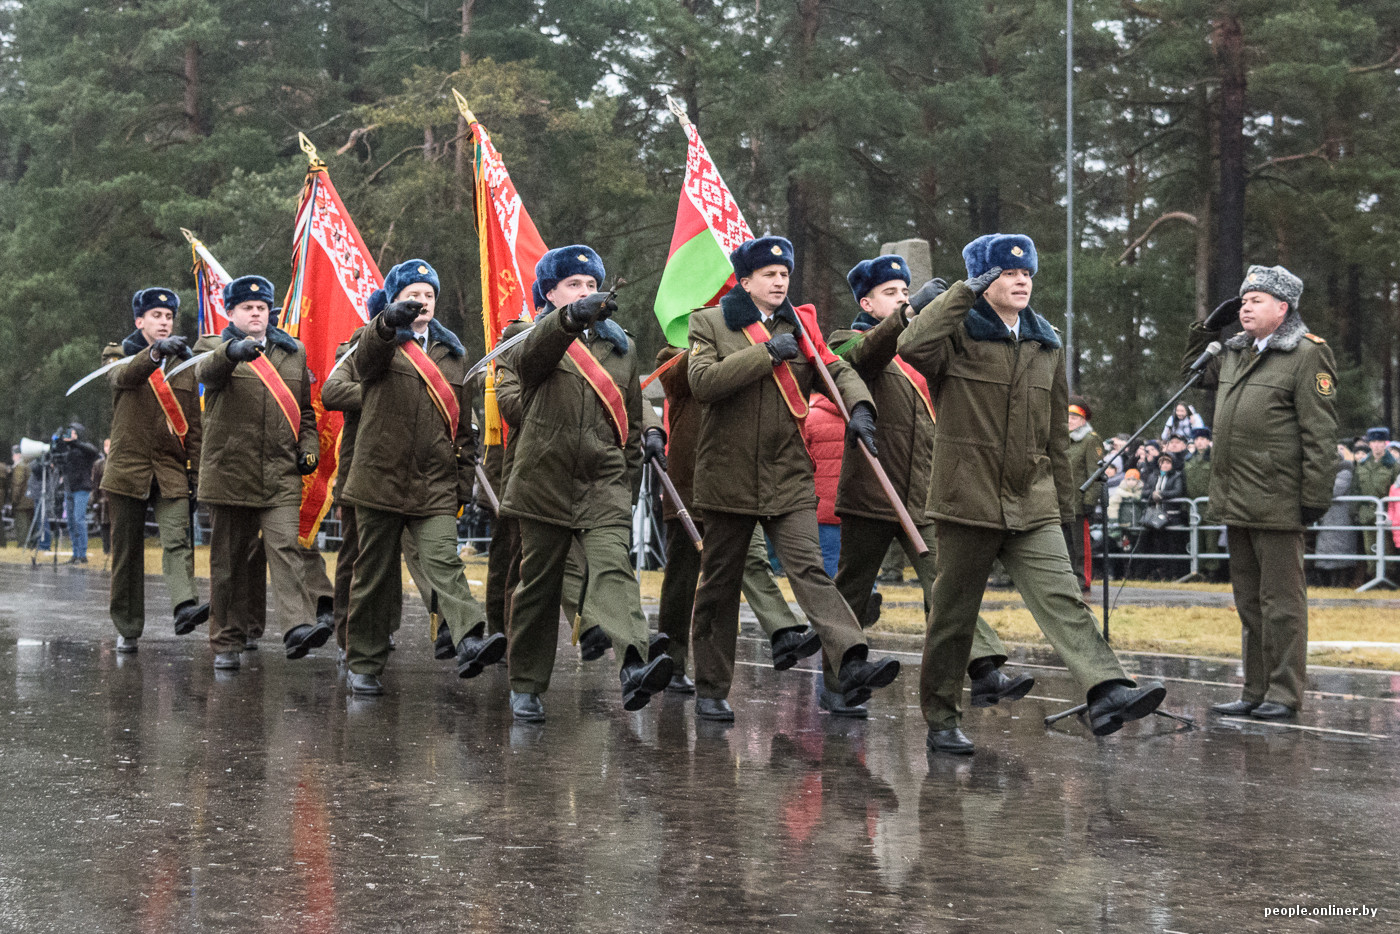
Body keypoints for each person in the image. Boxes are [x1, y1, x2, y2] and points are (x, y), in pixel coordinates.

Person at [898, 233, 1165, 754]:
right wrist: (959, 294)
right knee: (953, 617)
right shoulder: (956, 335)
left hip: (1032, 498)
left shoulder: (1046, 342)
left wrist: (1064, 509)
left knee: (1063, 597)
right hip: (966, 498)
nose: (1020, 280)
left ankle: (1106, 690)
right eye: (1006, 272)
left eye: (1026, 273)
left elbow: (1054, 434)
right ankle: (942, 718)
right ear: (982, 280)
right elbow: (911, 347)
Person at [686, 235, 903, 722]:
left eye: (785, 274)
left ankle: (851, 661)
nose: (780, 281)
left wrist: (860, 408)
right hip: (728, 475)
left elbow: (836, 368)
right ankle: (711, 687)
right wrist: (766, 355)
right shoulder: (711, 323)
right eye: (769, 275)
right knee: (719, 586)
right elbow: (703, 384)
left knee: (809, 569)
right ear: (745, 282)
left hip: (788, 473)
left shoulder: (801, 325)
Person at [828, 254, 1032, 716]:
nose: (903, 298)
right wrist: (909, 313)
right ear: (866, 302)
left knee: (946, 583)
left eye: (906, 291)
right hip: (871, 488)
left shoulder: (921, 351)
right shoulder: (849, 341)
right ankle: (837, 677)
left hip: (923, 492)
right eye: (891, 294)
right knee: (852, 590)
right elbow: (862, 358)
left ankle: (982, 670)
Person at [495, 245, 672, 722]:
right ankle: (527, 685)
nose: (586, 292)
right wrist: (569, 320)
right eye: (574, 285)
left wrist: (626, 485)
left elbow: (632, 425)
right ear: (549, 292)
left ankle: (634, 663)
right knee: (538, 586)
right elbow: (532, 367)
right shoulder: (521, 337)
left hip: (603, 481)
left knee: (614, 570)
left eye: (592, 285)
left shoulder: (622, 346)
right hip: (542, 479)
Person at [339, 259, 499, 695]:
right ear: (393, 299)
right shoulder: (372, 339)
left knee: (445, 562)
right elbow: (364, 367)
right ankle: (365, 664)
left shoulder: (454, 353)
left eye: (428, 294)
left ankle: (468, 639)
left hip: (434, 483)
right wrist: (387, 325)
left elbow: (463, 427)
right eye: (412, 293)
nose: (421, 300)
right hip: (378, 479)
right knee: (373, 577)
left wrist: (461, 485)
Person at [1186, 264, 1337, 720]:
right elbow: (1192, 374)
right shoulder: (1234, 351)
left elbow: (1321, 433)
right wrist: (1207, 327)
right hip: (1237, 499)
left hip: (1279, 499)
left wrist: (1313, 498)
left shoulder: (1307, 355)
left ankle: (1284, 694)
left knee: (1282, 606)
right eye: (1243, 299)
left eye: (1256, 299)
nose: (1245, 306)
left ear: (1282, 308)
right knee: (1249, 603)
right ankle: (1254, 691)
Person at [652, 345, 822, 696]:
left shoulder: (749, 349)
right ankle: (671, 660)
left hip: (735, 482)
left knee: (752, 560)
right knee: (682, 580)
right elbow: (688, 379)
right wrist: (707, 343)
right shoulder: (672, 356)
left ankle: (782, 633)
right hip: (688, 483)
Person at [195, 275, 328, 670]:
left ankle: (299, 628)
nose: (256, 313)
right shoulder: (212, 345)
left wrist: (308, 447)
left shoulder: (292, 352)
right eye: (247, 308)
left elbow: (305, 411)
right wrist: (232, 352)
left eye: (262, 308)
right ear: (231, 312)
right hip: (229, 473)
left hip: (278, 474)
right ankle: (227, 641)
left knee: (287, 547)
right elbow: (206, 373)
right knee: (229, 563)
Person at [103, 288, 208, 653]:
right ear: (139, 321)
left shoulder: (184, 364)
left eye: (168, 317)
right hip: (127, 470)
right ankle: (128, 628)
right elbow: (123, 378)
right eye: (156, 316)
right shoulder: (118, 353)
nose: (163, 322)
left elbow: (193, 425)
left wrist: (195, 475)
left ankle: (184, 606)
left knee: (177, 539)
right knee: (127, 553)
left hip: (170, 469)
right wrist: (154, 354)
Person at [1064, 397, 1102, 591]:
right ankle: (1069, 578)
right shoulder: (1064, 440)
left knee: (1081, 546)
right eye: (1068, 416)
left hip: (1079, 502)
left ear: (1083, 420)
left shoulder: (1090, 440)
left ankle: (1083, 579)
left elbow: (1095, 473)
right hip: (1063, 501)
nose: (1069, 420)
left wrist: (1090, 500)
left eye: (1074, 417)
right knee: (1066, 545)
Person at [1350, 427, 1397, 578]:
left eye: (1380, 442)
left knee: (1387, 550)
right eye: (1374, 442)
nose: (1377, 445)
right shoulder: (1362, 465)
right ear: (1369, 444)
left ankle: (1388, 580)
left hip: (1386, 514)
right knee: (1370, 549)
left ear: (1385, 444)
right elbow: (1355, 489)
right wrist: (1355, 511)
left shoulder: (1393, 465)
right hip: (1367, 513)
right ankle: (1372, 578)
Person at [53, 422, 100, 563]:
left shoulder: (84, 448)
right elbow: (57, 459)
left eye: (72, 432)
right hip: (69, 488)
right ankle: (75, 553)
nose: (69, 435)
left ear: (78, 434)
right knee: (71, 522)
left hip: (82, 488)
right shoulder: (67, 450)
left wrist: (75, 442)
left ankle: (82, 554)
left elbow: (94, 452)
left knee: (79, 519)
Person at [9, 447, 31, 548]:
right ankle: (28, 544)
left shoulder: (19, 467)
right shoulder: (27, 465)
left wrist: (14, 500)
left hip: (22, 501)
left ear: (17, 455)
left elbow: (17, 485)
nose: (12, 457)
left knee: (21, 524)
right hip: (28, 500)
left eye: (13, 454)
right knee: (27, 524)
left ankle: (22, 545)